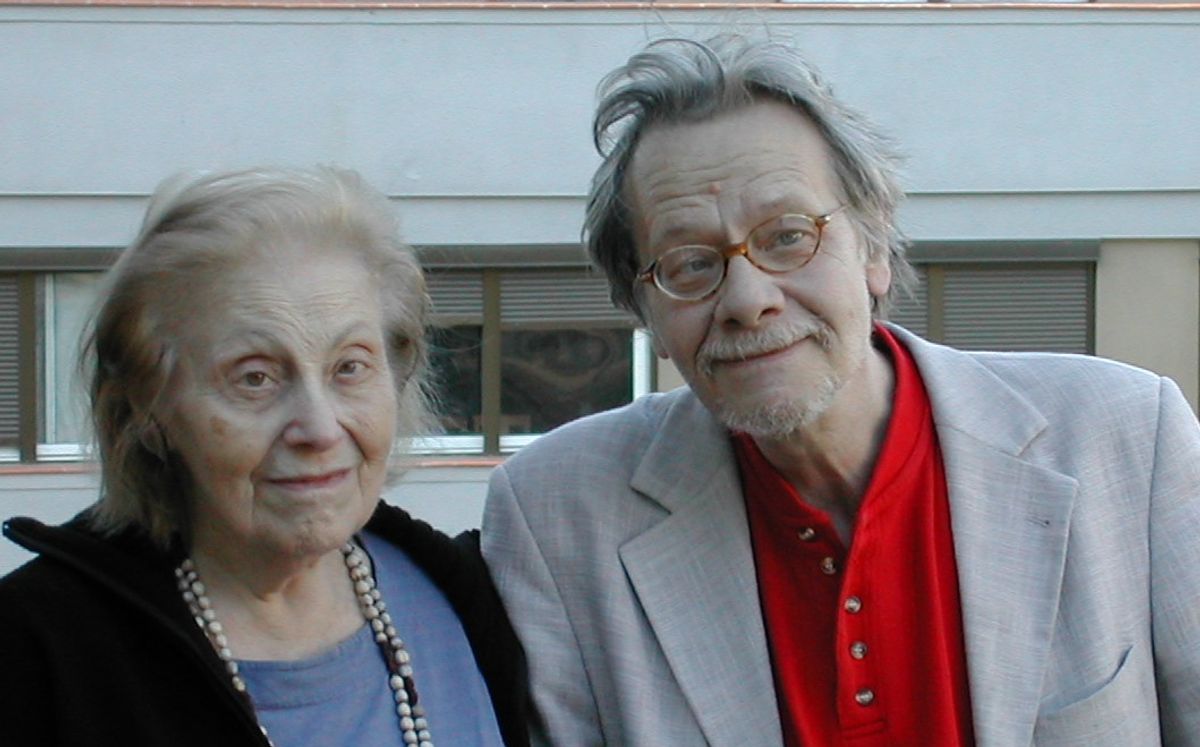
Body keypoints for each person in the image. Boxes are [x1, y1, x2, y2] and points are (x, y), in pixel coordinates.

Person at [481, 34, 1200, 746]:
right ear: (647, 313)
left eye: (787, 236)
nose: (748, 299)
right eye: (689, 262)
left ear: (874, 248)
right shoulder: (558, 515)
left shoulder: (1126, 437)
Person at [0, 167, 528, 746]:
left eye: (349, 367)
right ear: (148, 412)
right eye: (254, 378)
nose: (319, 429)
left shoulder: (461, 597)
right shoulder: (35, 652)